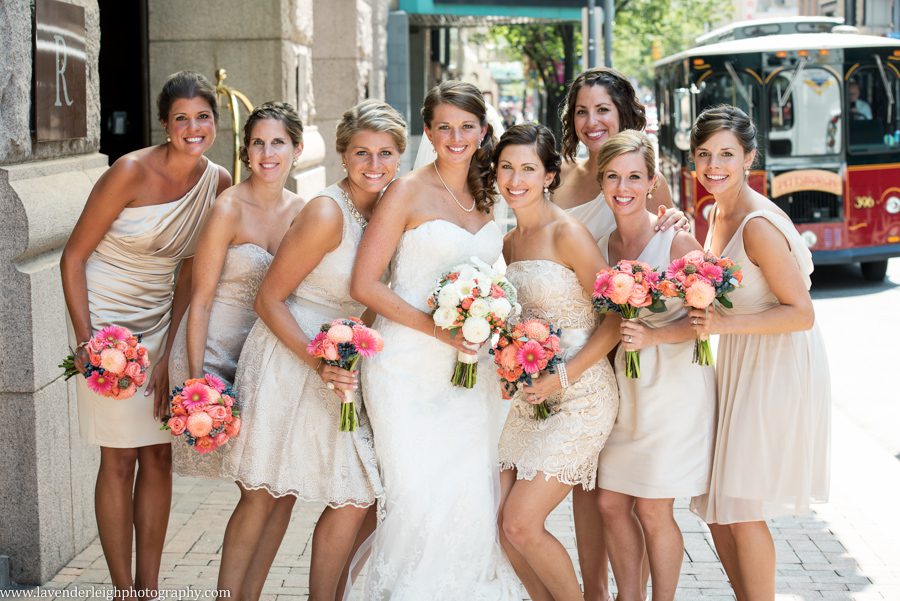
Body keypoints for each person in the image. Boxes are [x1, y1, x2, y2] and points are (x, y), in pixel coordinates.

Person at [220, 99, 405, 601]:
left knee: (347, 494)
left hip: (339, 364)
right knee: (263, 495)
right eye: (362, 153)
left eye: (385, 153)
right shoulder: (327, 212)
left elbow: (369, 295)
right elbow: (268, 297)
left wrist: (354, 356)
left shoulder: (389, 210)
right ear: (343, 156)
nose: (373, 165)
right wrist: (318, 359)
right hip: (288, 353)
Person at [60, 71, 230, 596]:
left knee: (158, 453)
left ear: (215, 123)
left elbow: (189, 272)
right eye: (182, 118)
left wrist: (170, 351)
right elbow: (73, 257)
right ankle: (121, 588)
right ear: (164, 123)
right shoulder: (129, 171)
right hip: (108, 321)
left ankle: (150, 588)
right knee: (118, 455)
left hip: (162, 318)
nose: (193, 127)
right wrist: (90, 344)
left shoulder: (218, 182)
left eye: (203, 116)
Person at [350, 80, 520, 600]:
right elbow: (364, 284)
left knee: (467, 496)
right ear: (428, 131)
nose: (455, 136)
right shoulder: (406, 191)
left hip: (471, 374)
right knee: (416, 497)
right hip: (404, 369)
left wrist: (492, 321)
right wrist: (437, 328)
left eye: (467, 126)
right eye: (444, 126)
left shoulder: (492, 193)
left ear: (483, 131)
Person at [554, 66, 687, 601]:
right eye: (582, 112)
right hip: (578, 345)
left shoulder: (645, 172)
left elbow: (672, 246)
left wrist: (677, 222)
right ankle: (596, 591)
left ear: (624, 113)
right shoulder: (559, 177)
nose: (591, 122)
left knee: (641, 498)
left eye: (602, 110)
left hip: (636, 350)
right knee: (595, 492)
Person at [688, 105, 831, 601]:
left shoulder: (757, 225)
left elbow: (802, 313)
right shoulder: (717, 212)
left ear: (749, 157)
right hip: (741, 359)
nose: (713, 165)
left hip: (774, 366)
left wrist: (726, 322)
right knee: (715, 507)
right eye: (704, 154)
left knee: (739, 506)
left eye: (726, 154)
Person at [166, 102, 306, 596]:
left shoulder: (303, 212)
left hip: (269, 356)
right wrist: (198, 382)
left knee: (281, 489)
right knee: (255, 490)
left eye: (278, 143)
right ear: (245, 151)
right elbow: (199, 301)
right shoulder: (227, 207)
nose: (267, 153)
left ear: (297, 149)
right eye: (257, 143)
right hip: (218, 355)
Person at [494, 124, 620, 601]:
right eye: (507, 167)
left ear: (549, 175)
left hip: (582, 396)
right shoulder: (508, 245)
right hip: (530, 399)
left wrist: (563, 375)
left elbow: (613, 321)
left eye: (528, 168)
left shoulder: (569, 234)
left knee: (522, 523)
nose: (515, 178)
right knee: (502, 528)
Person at [592, 130, 716, 601]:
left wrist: (656, 334)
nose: (622, 187)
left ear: (651, 182)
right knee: (609, 502)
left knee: (653, 509)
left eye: (633, 177)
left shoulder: (677, 240)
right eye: (612, 177)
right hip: (631, 390)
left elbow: (709, 322)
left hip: (675, 390)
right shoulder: (608, 244)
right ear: (602, 182)